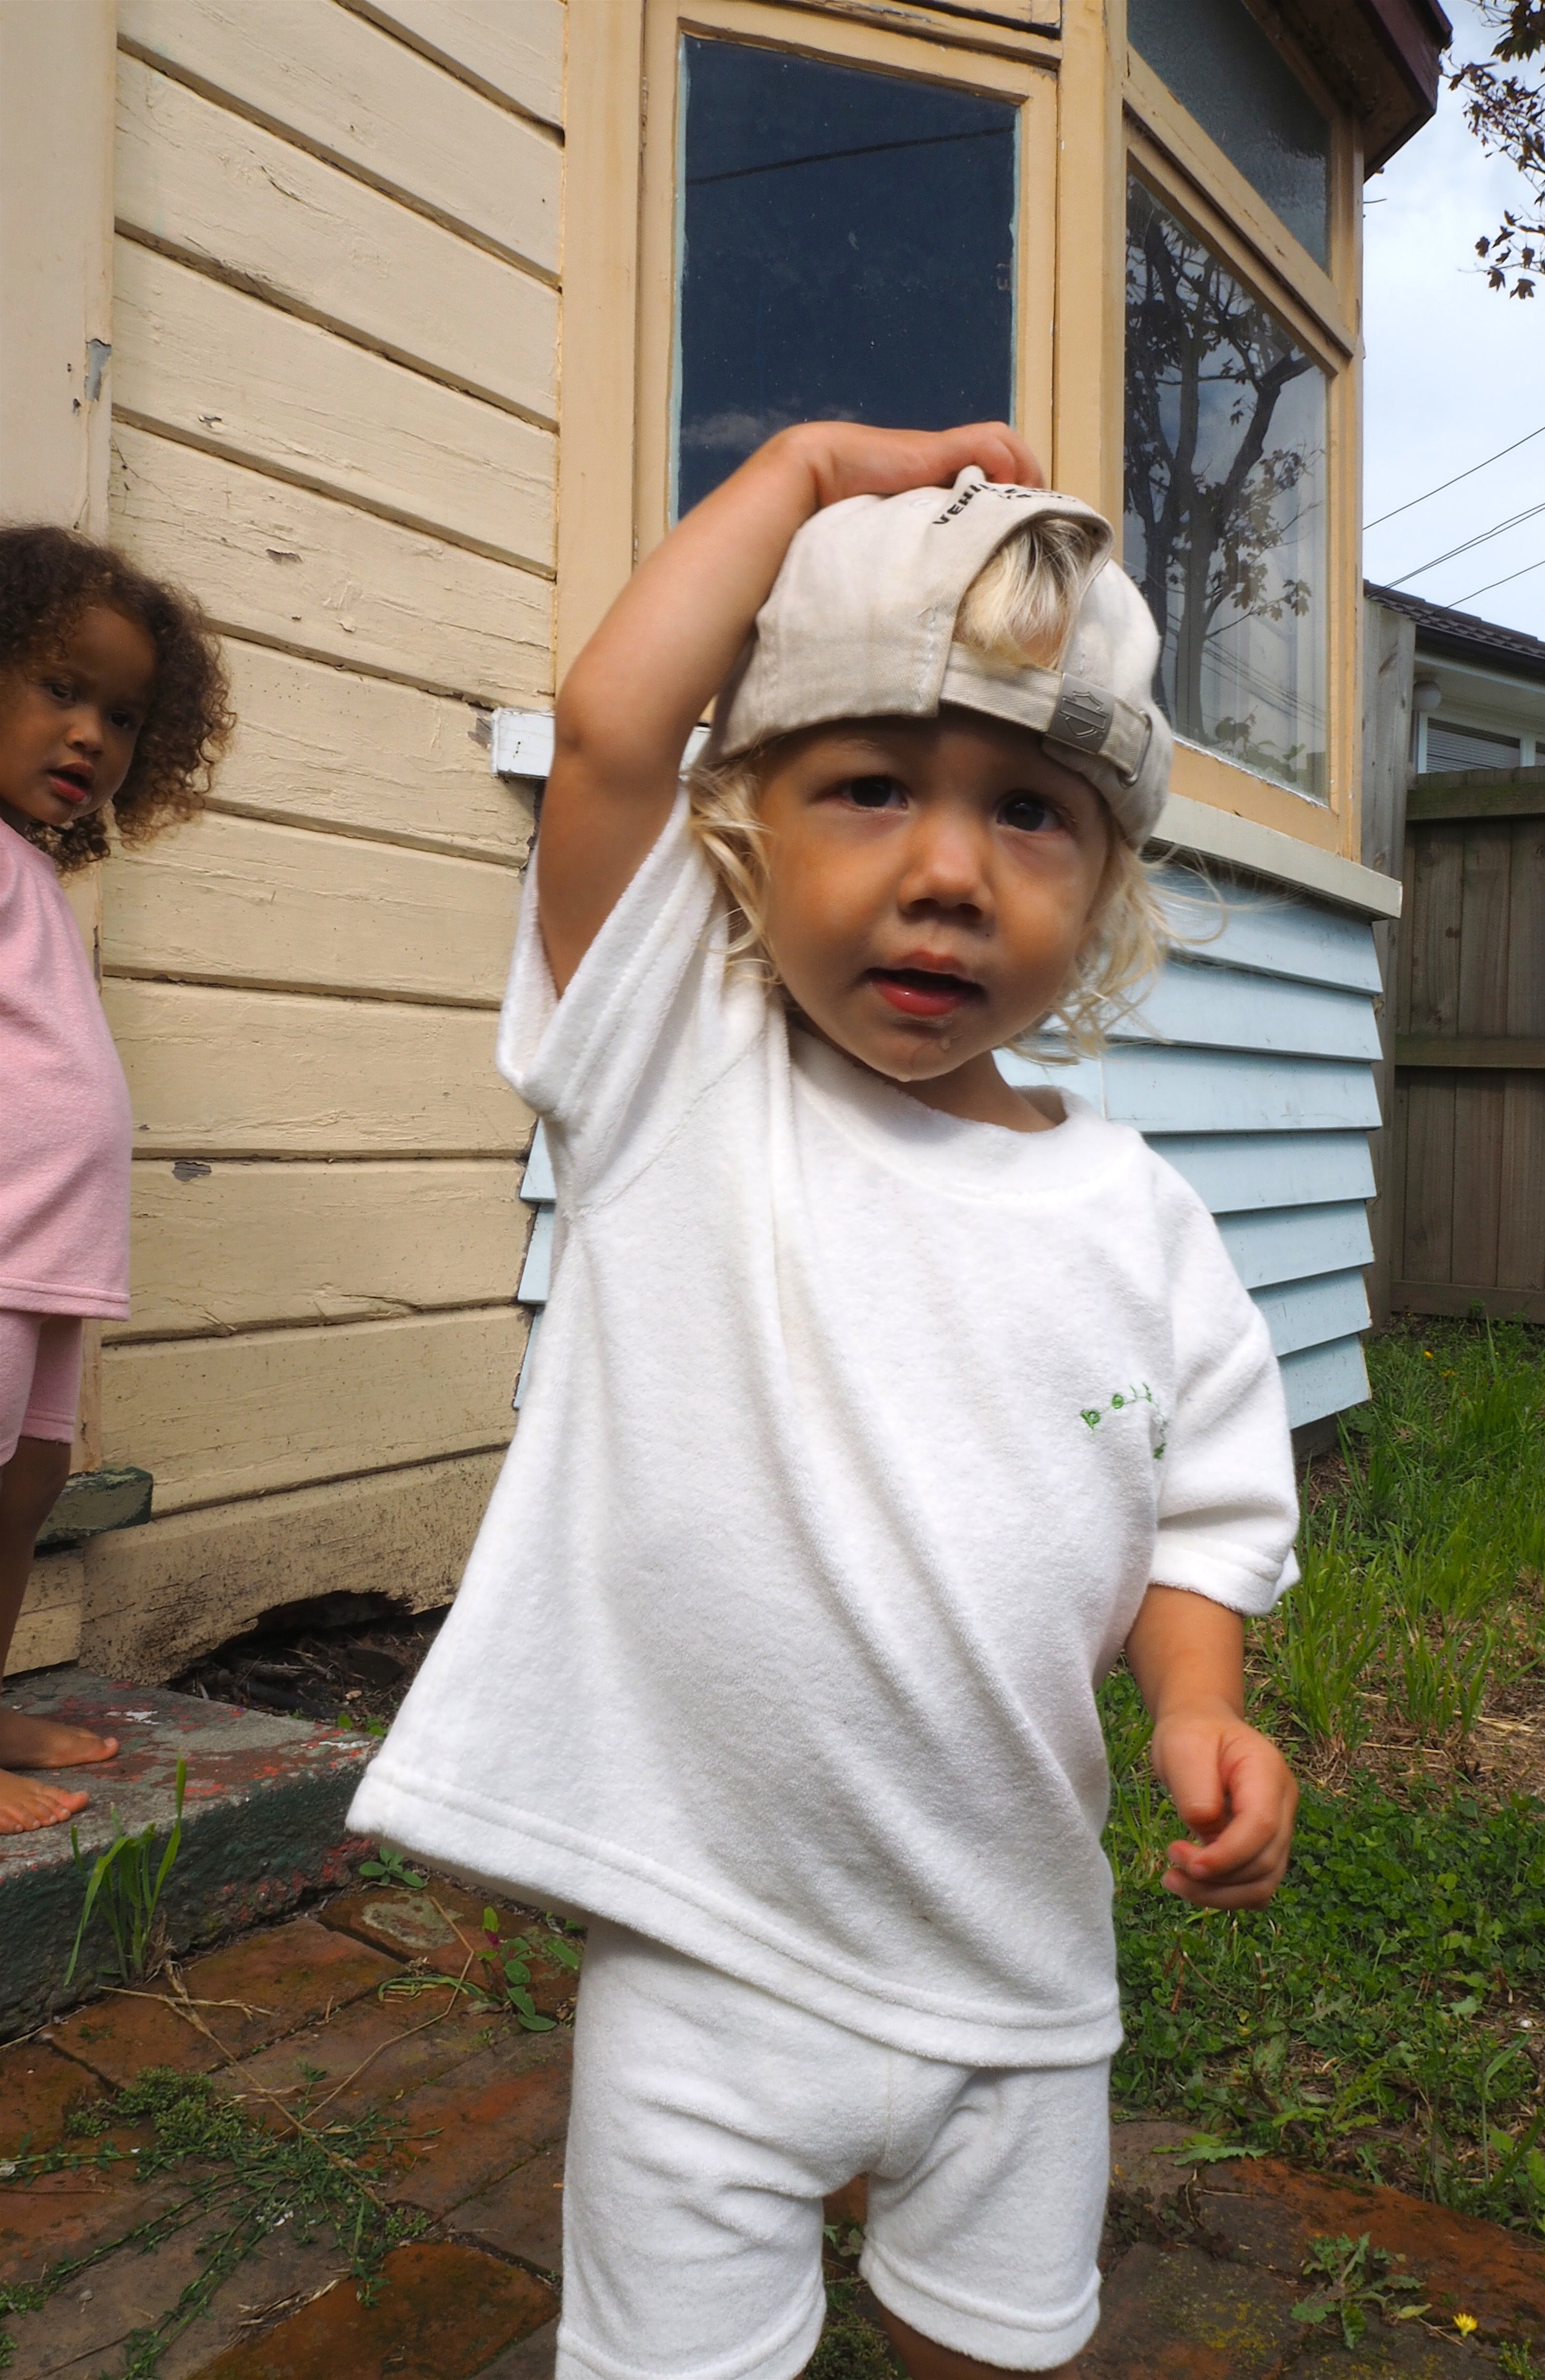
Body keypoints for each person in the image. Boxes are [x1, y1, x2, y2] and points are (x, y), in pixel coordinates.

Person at [348, 420, 1301, 2380]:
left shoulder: (1140, 1218)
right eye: (867, 786)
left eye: (1029, 812)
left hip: (1015, 1972)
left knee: (995, 2347)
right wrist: (798, 473)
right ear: (741, 832)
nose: (945, 871)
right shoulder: (678, 1069)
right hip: (706, 1961)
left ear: (1107, 884)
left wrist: (1201, 1706)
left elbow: (1201, 1509)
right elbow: (612, 731)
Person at [0, 525, 229, 1835]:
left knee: (26, 1486)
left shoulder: (29, 866)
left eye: (126, 715)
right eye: (60, 687)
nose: (91, 734)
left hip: (45, 1254)